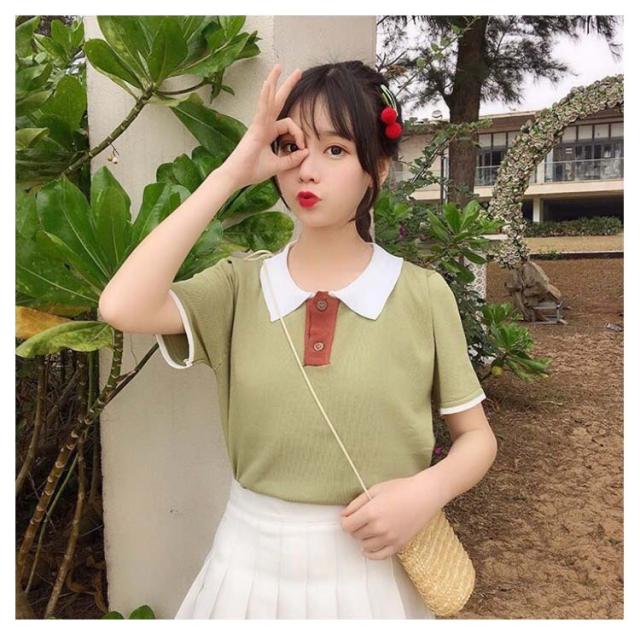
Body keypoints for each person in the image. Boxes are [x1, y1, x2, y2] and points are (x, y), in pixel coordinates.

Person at [99, 60, 498, 619]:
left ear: (378, 169)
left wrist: (424, 493)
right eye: (293, 147)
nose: (307, 170)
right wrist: (233, 172)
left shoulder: (421, 295)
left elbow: (476, 438)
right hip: (248, 571)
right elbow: (121, 306)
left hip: (375, 571)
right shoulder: (239, 286)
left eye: (335, 149)